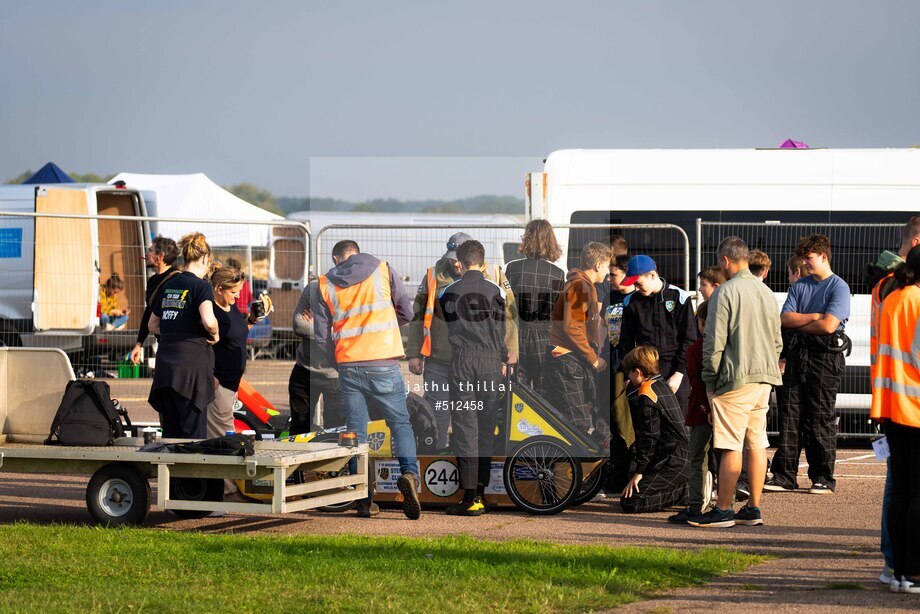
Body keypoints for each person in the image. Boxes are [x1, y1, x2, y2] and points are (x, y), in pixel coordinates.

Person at [314, 240, 422, 519]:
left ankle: (363, 499)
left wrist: (336, 360)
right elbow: (407, 313)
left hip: (349, 364)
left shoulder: (325, 283)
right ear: (358, 252)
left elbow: (322, 336)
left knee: (356, 433)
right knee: (400, 423)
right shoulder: (383, 270)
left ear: (338, 258)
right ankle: (410, 474)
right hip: (383, 360)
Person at [689, 236, 782, 528]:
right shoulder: (766, 292)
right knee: (756, 443)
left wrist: (709, 377)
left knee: (729, 443)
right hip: (764, 377)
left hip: (734, 378)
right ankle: (753, 508)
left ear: (725, 261)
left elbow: (714, 341)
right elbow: (778, 340)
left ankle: (724, 509)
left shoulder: (724, 293)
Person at [407, 232, 518, 451]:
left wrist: (509, 356)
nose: (456, 263)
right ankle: (436, 460)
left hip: (478, 362)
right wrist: (413, 353)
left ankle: (469, 465)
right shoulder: (433, 276)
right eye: (452, 257)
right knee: (437, 414)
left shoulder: (494, 275)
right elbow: (418, 315)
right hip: (440, 360)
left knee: (473, 419)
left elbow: (509, 317)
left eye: (459, 258)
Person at [766, 234, 851, 495]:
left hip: (824, 360)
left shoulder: (839, 287)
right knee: (790, 417)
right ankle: (784, 475)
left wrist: (805, 322)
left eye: (809, 258)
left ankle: (823, 476)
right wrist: (815, 315)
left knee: (820, 418)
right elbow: (784, 319)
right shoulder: (800, 285)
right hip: (796, 356)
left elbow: (829, 326)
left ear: (823, 257)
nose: (805, 262)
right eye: (803, 258)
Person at [867, 215, 920, 586]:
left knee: (900, 489)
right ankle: (908, 568)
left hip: (888, 402)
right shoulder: (912, 298)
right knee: (913, 493)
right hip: (914, 405)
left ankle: (897, 566)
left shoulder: (888, 293)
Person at [439, 240, 509, 516]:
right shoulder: (497, 290)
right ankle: (482, 491)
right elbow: (504, 325)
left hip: (463, 361)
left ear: (461, 263)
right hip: (491, 362)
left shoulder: (448, 292)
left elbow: (446, 322)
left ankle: (469, 497)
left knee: (465, 426)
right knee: (486, 426)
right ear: (482, 262)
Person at [147, 232, 219, 439]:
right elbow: (208, 320)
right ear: (204, 258)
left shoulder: (169, 284)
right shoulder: (201, 286)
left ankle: (169, 473)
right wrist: (214, 333)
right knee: (192, 438)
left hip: (166, 368)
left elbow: (153, 324)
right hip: (190, 371)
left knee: (171, 435)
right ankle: (189, 472)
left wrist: (175, 330)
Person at [546, 242, 611, 435]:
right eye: (607, 266)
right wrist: (592, 358)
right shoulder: (580, 286)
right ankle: (570, 465)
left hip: (570, 358)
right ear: (598, 265)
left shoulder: (583, 285)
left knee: (580, 419)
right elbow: (572, 327)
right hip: (566, 359)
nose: (608, 271)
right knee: (578, 425)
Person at [616, 255, 696, 411]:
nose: (636, 289)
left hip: (674, 371)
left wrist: (679, 373)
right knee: (647, 427)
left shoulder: (680, 298)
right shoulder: (630, 302)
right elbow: (625, 342)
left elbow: (688, 339)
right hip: (644, 372)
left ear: (652, 275)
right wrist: (627, 376)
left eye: (638, 284)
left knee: (679, 428)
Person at [619, 345, 690, 514]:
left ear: (637, 371)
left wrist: (639, 472)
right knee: (633, 486)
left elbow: (649, 438)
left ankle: (691, 491)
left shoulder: (646, 394)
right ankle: (690, 487)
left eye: (629, 373)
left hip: (674, 459)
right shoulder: (660, 383)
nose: (628, 377)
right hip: (679, 455)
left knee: (630, 501)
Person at [504, 220, 565, 397]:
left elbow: (505, 306)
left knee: (515, 389)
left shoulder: (512, 268)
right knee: (543, 390)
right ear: (551, 241)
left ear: (527, 239)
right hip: (545, 336)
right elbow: (560, 313)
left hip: (517, 333)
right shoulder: (558, 273)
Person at [669, 300, 713, 524]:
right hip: (728, 407)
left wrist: (706, 407)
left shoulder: (696, 349)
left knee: (697, 459)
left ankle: (695, 505)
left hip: (702, 408)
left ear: (701, 322)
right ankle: (727, 503)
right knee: (726, 457)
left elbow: (697, 383)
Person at [289, 280, 344, 435]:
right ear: (335, 260)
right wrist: (332, 328)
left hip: (335, 375)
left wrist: (316, 324)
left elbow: (349, 333)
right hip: (304, 371)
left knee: (334, 430)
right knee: (299, 429)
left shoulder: (353, 292)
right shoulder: (314, 288)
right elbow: (299, 325)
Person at [130, 236, 180, 365]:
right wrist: (139, 343)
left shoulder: (178, 281)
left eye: (150, 250)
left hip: (178, 347)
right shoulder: (152, 281)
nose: (146, 254)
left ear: (160, 256)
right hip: (163, 345)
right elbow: (149, 312)